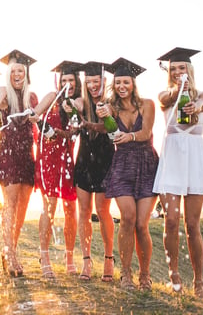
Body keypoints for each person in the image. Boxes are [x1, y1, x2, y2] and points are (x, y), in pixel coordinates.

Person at [153, 47, 203, 298]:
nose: (178, 72)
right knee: (171, 221)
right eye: (173, 69)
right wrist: (177, 90)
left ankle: (199, 281)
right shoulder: (166, 94)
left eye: (182, 68)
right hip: (172, 158)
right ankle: (174, 275)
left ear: (189, 70)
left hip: (194, 158)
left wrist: (198, 106)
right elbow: (165, 98)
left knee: (192, 224)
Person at [97, 58, 158, 291]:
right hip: (122, 167)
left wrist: (129, 137)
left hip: (146, 165)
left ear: (133, 83)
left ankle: (145, 275)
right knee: (128, 219)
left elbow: (145, 133)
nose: (122, 86)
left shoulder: (147, 105)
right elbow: (109, 128)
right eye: (118, 82)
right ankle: (126, 274)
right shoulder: (112, 108)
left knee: (142, 225)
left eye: (126, 82)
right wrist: (103, 115)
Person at [31, 61, 82, 279]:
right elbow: (33, 115)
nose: (67, 84)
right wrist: (41, 128)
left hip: (67, 157)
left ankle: (69, 256)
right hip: (48, 158)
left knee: (71, 207)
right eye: (64, 80)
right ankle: (44, 255)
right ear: (58, 82)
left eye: (71, 80)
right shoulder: (52, 97)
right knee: (49, 207)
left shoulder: (79, 101)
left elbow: (74, 130)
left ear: (76, 82)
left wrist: (71, 111)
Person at [0, 50, 39, 277]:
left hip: (26, 154)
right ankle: (10, 253)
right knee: (10, 201)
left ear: (26, 73)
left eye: (21, 70)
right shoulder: (4, 94)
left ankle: (11, 247)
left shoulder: (32, 98)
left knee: (22, 204)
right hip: (7, 152)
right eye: (13, 71)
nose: (17, 74)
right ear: (9, 74)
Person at [73, 61, 116, 282]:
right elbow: (76, 104)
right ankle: (86, 261)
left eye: (95, 81)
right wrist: (74, 107)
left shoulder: (111, 102)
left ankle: (109, 259)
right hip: (84, 159)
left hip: (105, 159)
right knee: (83, 211)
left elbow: (112, 128)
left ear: (103, 81)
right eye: (88, 82)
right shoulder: (83, 102)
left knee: (102, 210)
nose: (91, 85)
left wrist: (107, 113)